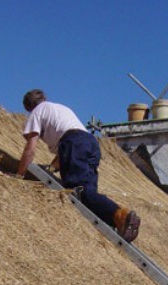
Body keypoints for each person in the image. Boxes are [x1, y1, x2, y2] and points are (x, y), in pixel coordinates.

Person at [16, 89, 141, 242]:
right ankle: (116, 222)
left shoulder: (36, 112)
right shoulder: (59, 109)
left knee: (78, 191)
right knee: (88, 194)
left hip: (74, 143)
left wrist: (20, 174)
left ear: (28, 107)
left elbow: (31, 147)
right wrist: (51, 168)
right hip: (90, 143)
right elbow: (68, 145)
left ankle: (122, 215)